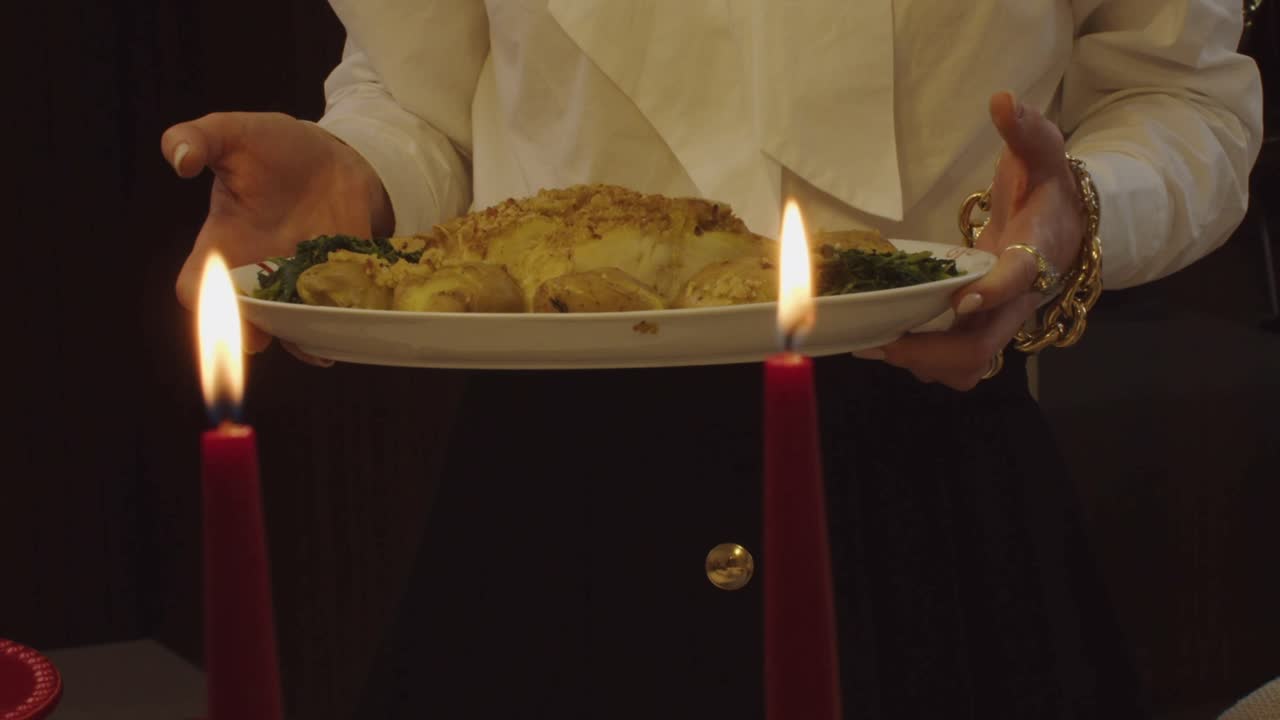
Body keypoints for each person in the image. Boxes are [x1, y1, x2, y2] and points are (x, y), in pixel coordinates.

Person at [161, 1, 1262, 718]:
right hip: (546, 505)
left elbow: (1177, 93)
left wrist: (1079, 207)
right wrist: (360, 172)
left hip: (926, 488)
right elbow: (426, 94)